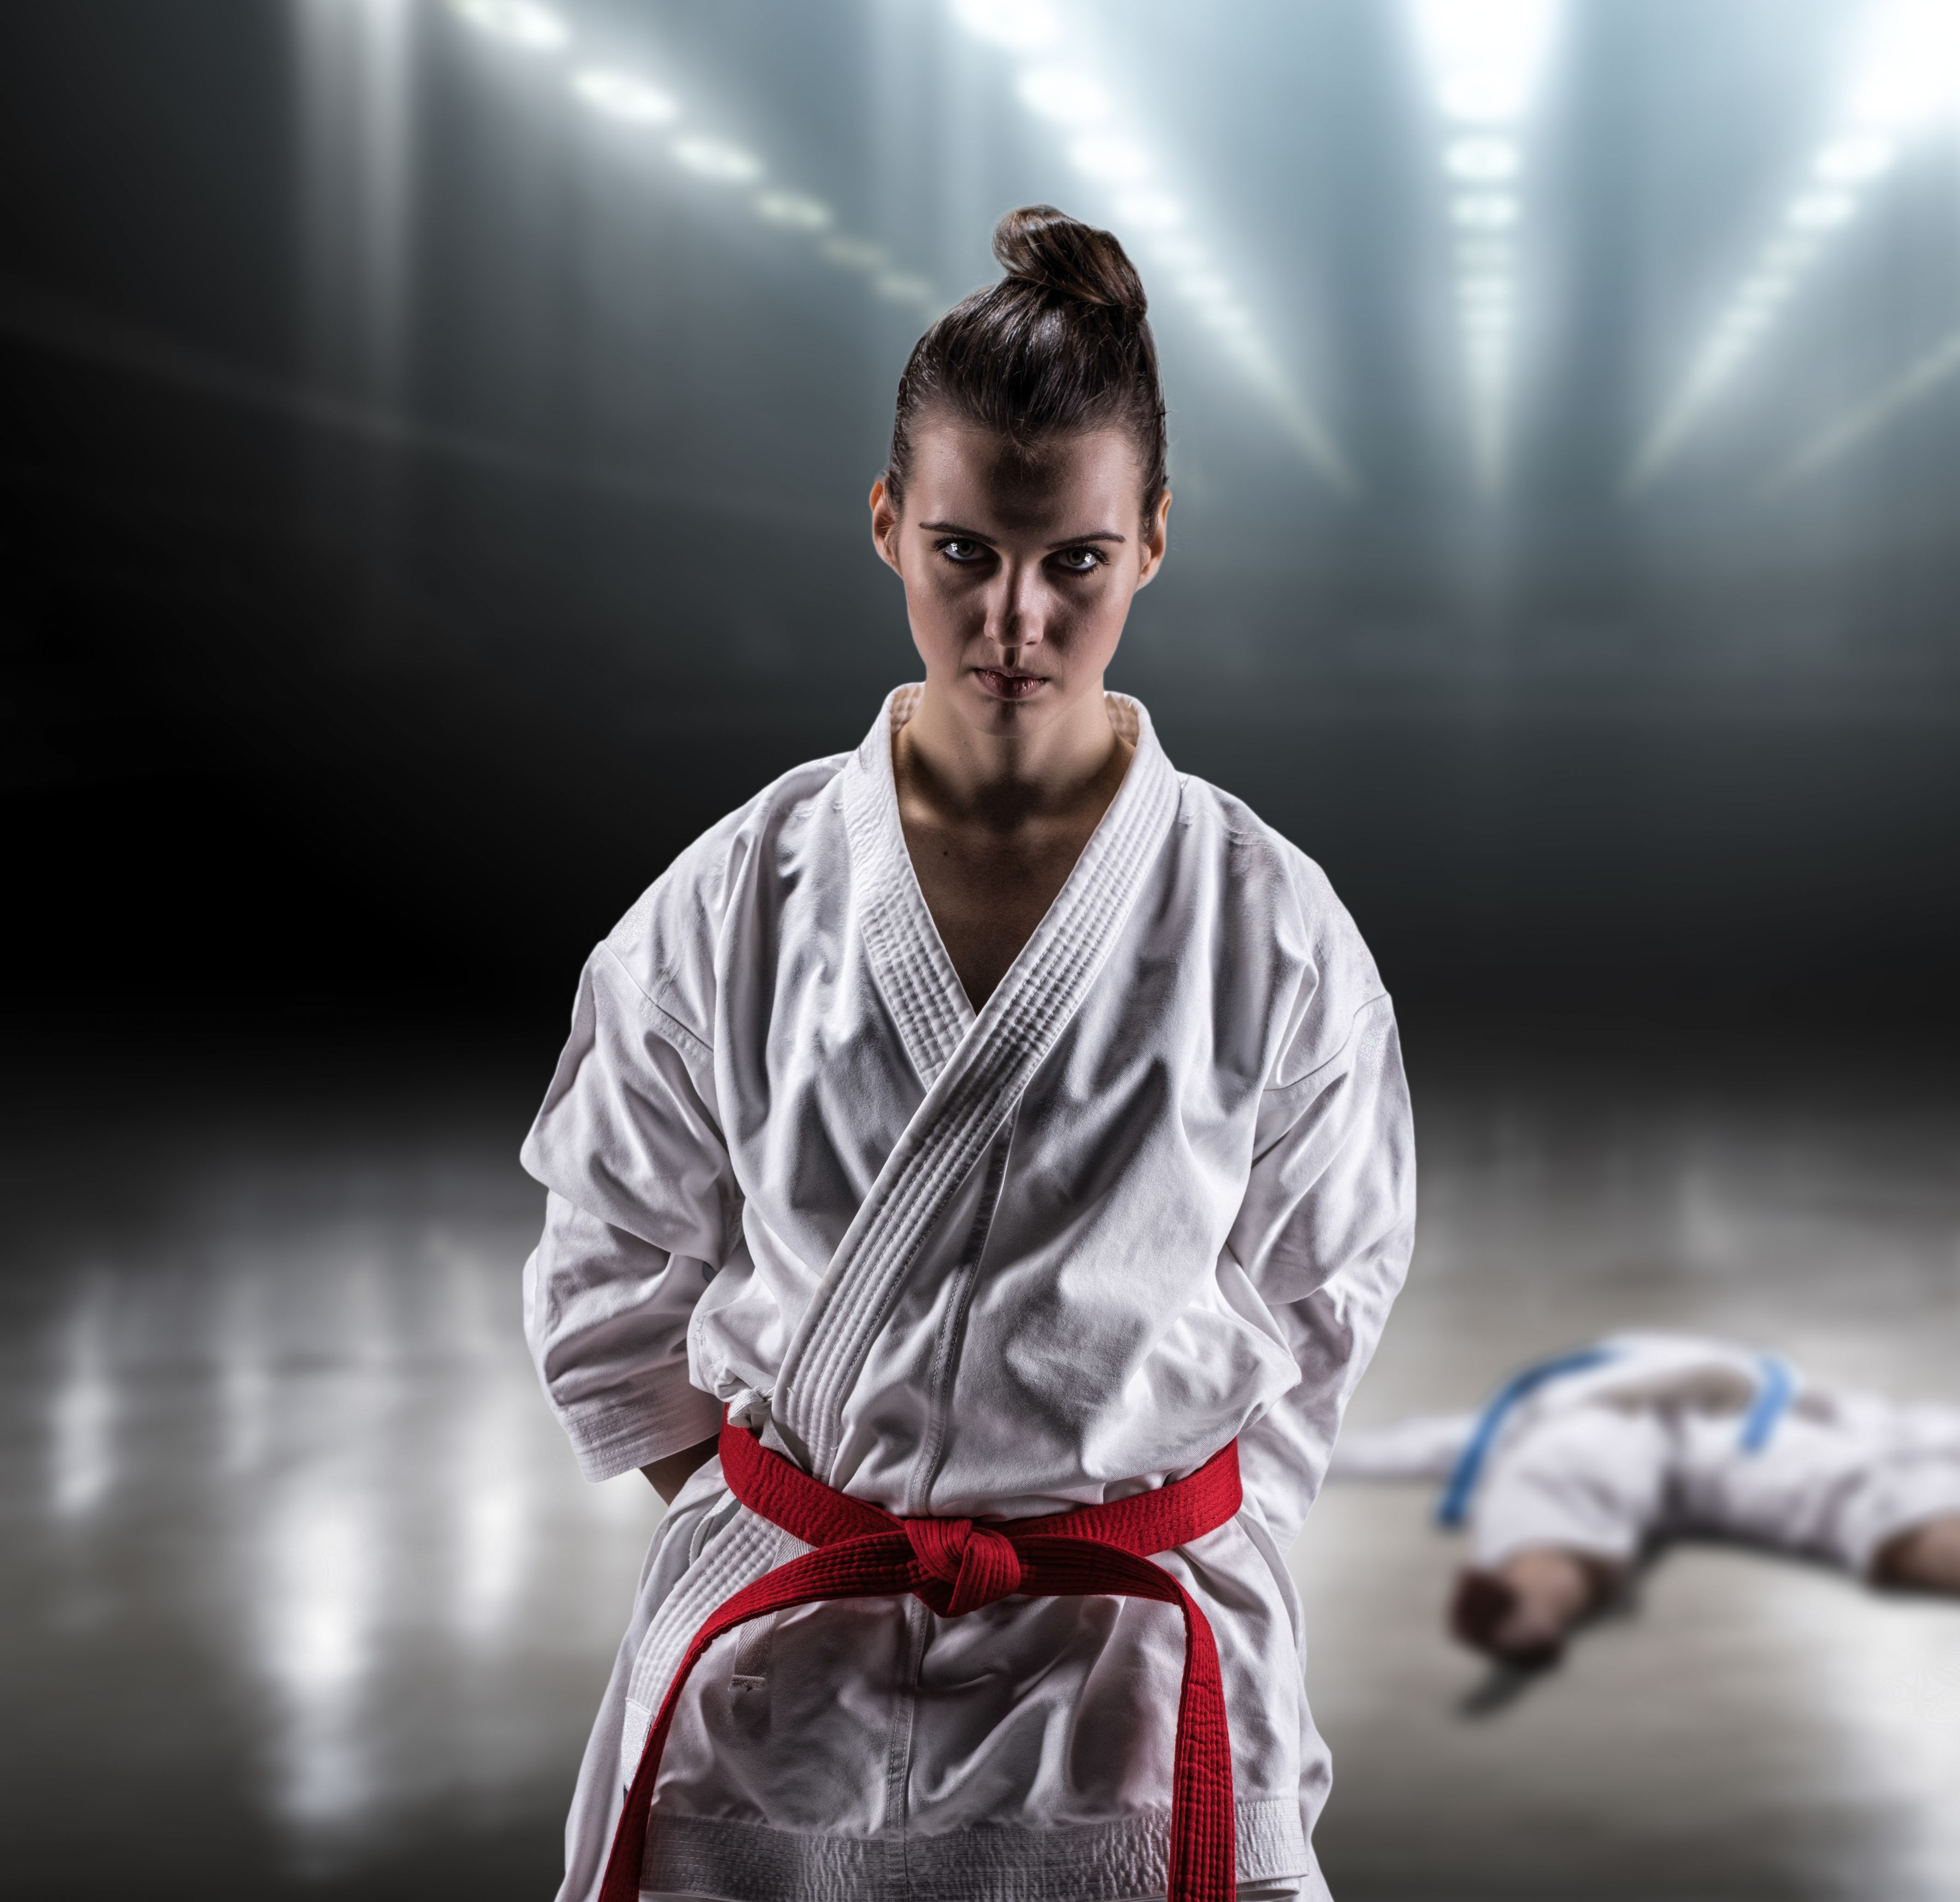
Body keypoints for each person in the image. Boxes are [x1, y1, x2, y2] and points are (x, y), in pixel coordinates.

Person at [520, 207, 1415, 1902]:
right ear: (885, 527)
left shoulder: (1266, 921)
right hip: (782, 1674)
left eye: (1073, 559)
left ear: (1153, 541)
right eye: (963, 553)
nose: (1014, 615)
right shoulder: (740, 894)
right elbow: (609, 1270)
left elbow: (1318, 1304)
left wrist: (1137, 1524)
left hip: (1128, 1677)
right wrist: (808, 1526)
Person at [1332, 1334, 1960, 1668]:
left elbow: (1887, 1422)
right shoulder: (1552, 1393)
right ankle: (1526, 1611)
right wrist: (1311, 1451)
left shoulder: (1764, 1380)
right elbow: (1436, 1442)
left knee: (1869, 1474)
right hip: (1599, 1425)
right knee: (1550, 1481)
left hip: (1741, 1424)